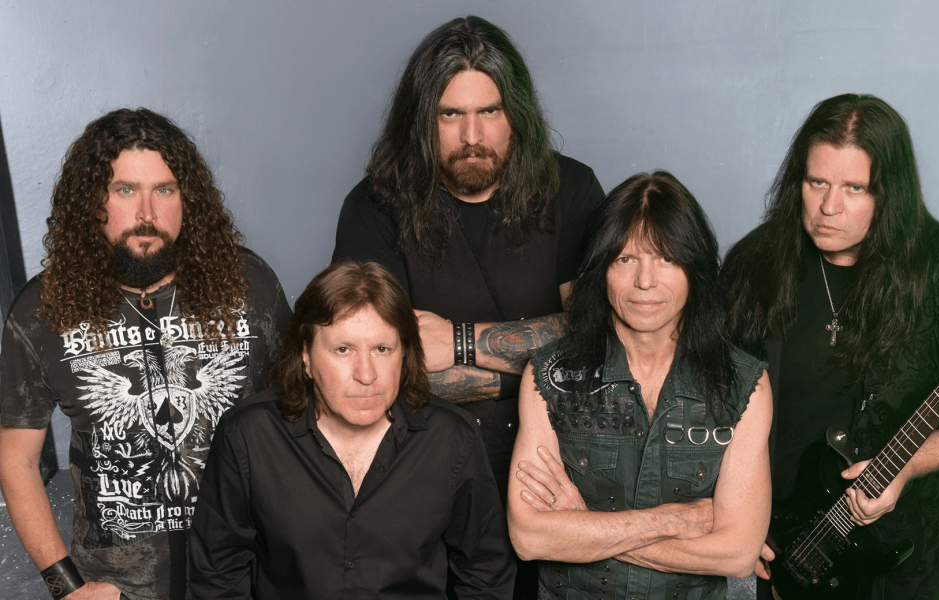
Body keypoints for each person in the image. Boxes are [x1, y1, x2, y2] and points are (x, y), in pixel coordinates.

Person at [0, 108, 291, 600]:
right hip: (119, 587)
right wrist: (67, 588)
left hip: (245, 578)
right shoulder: (43, 310)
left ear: (188, 199)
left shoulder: (249, 286)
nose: (147, 214)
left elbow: (303, 415)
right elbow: (17, 460)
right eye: (125, 190)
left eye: (165, 190)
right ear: (92, 202)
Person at [721, 93, 939, 600]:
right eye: (817, 183)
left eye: (855, 188)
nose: (829, 207)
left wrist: (911, 464)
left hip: (906, 553)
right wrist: (739, 517)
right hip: (783, 546)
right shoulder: (754, 266)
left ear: (890, 193)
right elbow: (714, 398)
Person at [331, 15, 606, 503]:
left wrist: (457, 342)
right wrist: (539, 371)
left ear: (516, 114)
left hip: (558, 464)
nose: (472, 136)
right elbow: (374, 372)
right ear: (422, 119)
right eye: (450, 114)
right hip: (423, 467)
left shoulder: (571, 189)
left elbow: (597, 338)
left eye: (490, 111)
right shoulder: (374, 206)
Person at [507, 172, 772, 600]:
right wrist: (672, 521)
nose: (645, 281)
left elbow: (737, 554)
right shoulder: (549, 378)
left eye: (666, 258)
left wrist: (584, 527)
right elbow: (530, 537)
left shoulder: (743, 384)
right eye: (625, 259)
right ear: (600, 269)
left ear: (694, 268)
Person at [190, 261, 515, 599]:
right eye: (343, 350)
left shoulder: (452, 439)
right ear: (306, 356)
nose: (366, 375)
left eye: (382, 350)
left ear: (404, 353)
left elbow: (486, 574)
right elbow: (218, 577)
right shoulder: (248, 435)